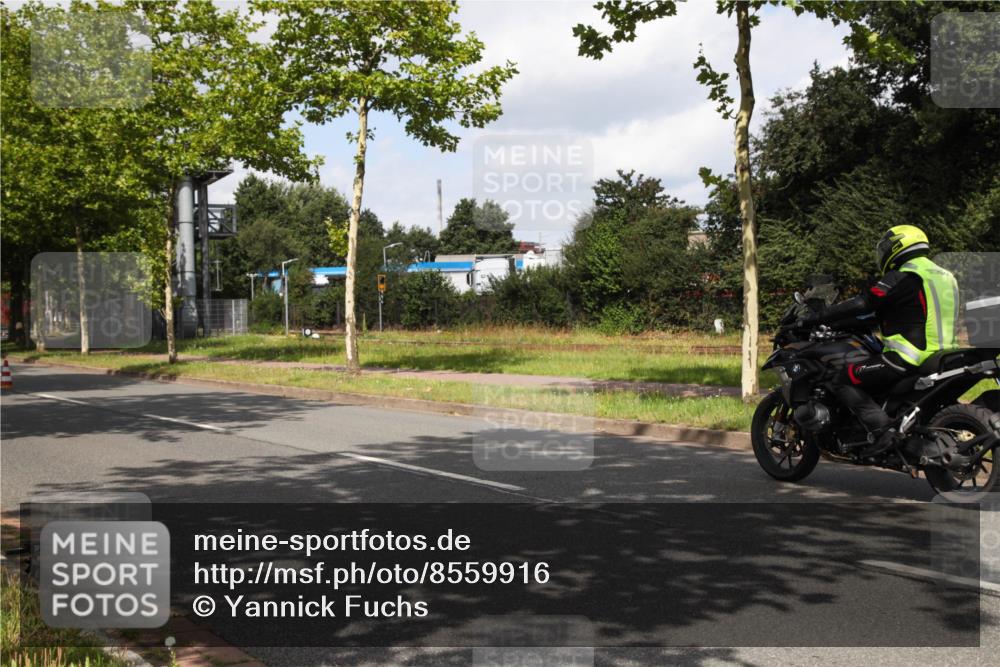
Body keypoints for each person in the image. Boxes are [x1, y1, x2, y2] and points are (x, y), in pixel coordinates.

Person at [800, 225, 959, 453]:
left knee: (842, 379)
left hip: (907, 358)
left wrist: (818, 317)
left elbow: (863, 303)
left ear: (897, 246)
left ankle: (883, 432)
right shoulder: (945, 276)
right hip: (944, 356)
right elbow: (907, 312)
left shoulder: (903, 275)